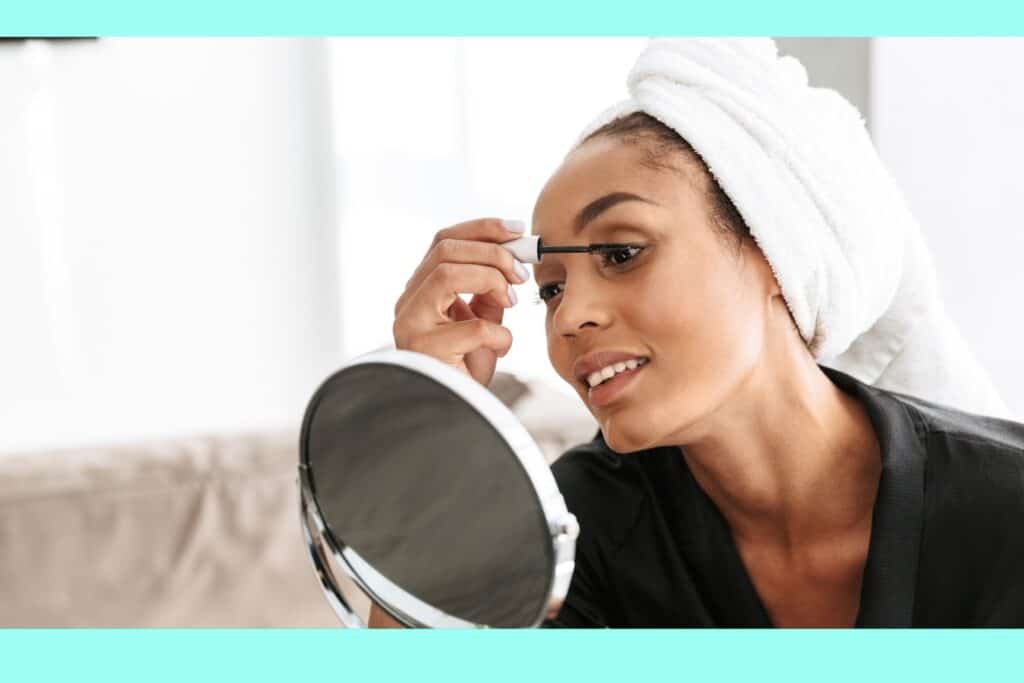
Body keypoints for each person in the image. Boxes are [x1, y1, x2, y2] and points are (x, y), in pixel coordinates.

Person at [381, 43, 1024, 627]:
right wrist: (434, 431)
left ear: (774, 252)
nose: (569, 316)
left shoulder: (1004, 511)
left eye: (623, 252)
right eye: (551, 288)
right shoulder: (581, 524)